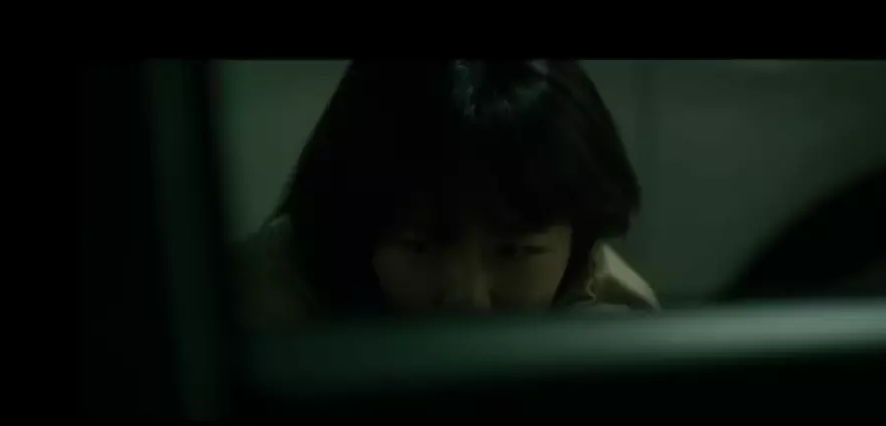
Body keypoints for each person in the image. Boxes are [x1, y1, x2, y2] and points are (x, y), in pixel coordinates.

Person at [238, 60, 659, 326]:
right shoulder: (252, 314)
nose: (468, 299)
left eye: (513, 251)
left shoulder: (616, 326)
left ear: (579, 238)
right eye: (421, 247)